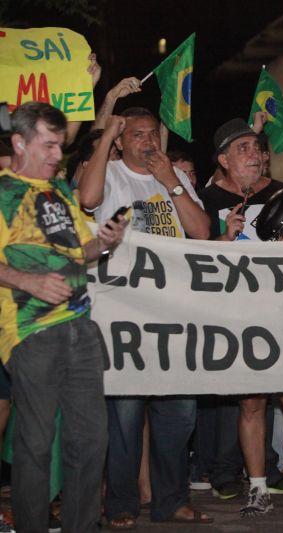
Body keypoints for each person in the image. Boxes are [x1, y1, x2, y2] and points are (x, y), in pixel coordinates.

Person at [78, 107, 212, 528]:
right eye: (136, 135)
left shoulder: (174, 177)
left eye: (152, 134)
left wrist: (172, 182)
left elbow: (202, 232)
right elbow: (87, 200)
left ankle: (172, 500)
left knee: (179, 415)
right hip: (122, 316)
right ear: (120, 140)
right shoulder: (107, 172)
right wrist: (106, 140)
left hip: (174, 315)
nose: (148, 141)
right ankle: (121, 503)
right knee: (125, 416)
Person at [199, 117, 283, 518]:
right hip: (239, 314)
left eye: (258, 149)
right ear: (223, 159)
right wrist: (223, 240)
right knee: (252, 402)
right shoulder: (205, 200)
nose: (256, 155)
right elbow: (192, 258)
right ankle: (257, 488)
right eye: (244, 149)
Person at [0, 102, 126, 532]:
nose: (58, 154)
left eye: (59, 145)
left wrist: (106, 242)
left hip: (80, 327)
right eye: (48, 144)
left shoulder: (58, 192)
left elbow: (81, 251)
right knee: (35, 442)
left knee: (91, 439)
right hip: (31, 330)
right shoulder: (3, 192)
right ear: (19, 143)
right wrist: (25, 280)